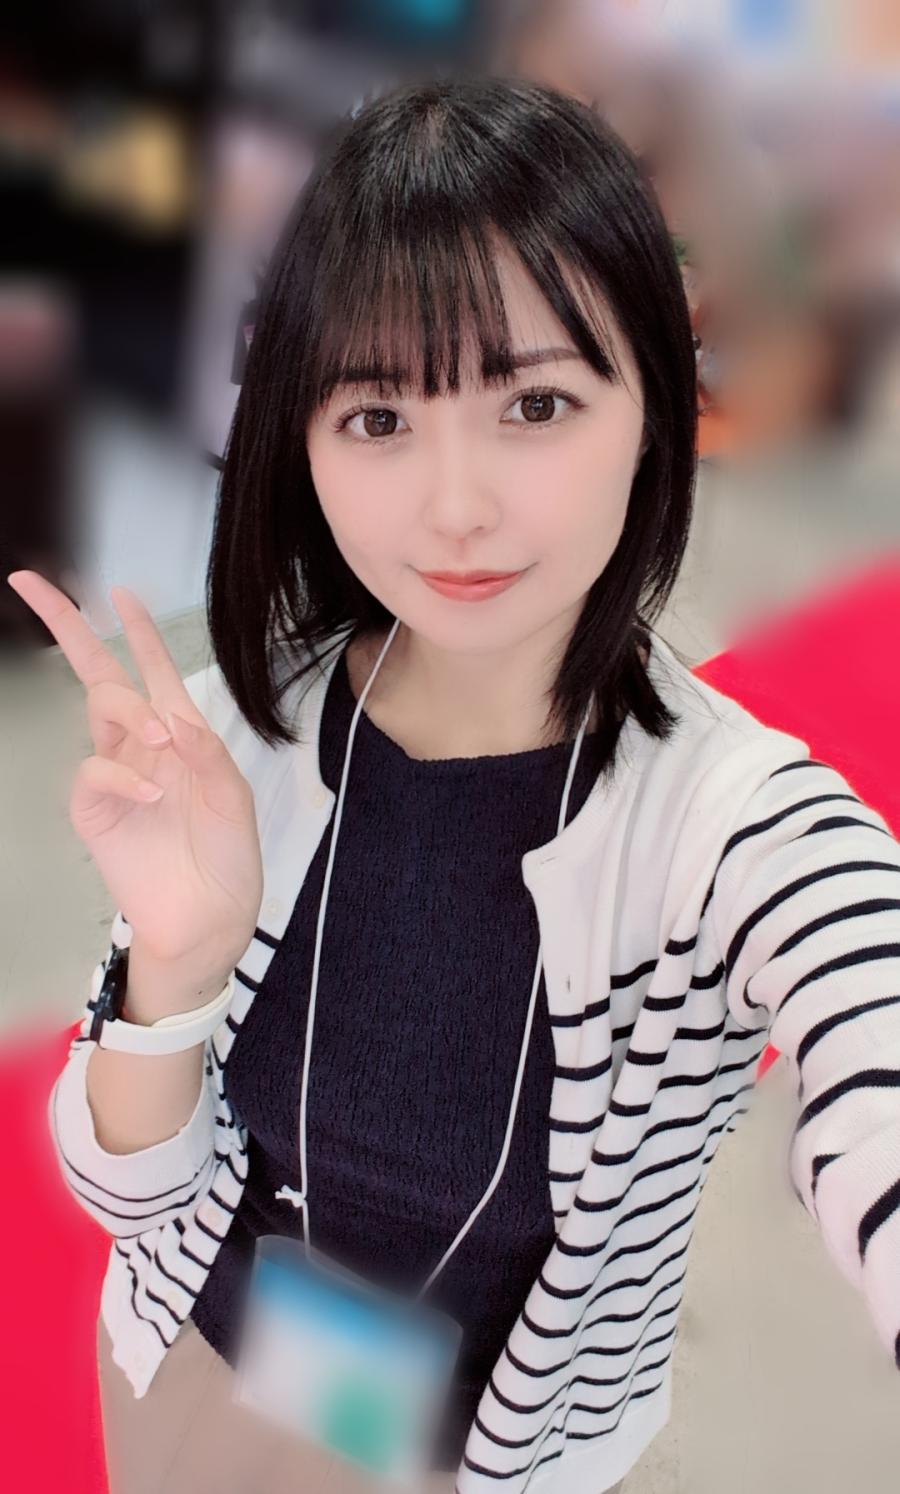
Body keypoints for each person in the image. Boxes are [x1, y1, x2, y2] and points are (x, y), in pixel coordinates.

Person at [10, 75, 900, 1494]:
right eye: (379, 418)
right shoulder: (245, 737)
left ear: (654, 404)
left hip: (482, 1463)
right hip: (188, 1376)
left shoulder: (732, 830)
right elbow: (124, 1187)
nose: (456, 506)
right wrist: (172, 973)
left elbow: (869, 1031)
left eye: (535, 402)